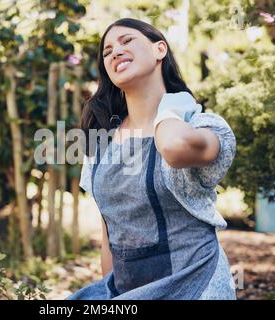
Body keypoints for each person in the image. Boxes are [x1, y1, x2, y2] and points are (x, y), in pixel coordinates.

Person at [66, 18, 237, 300]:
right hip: (129, 291)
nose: (115, 52)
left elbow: (172, 145)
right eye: (107, 52)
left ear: (160, 49)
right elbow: (111, 235)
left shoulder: (202, 125)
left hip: (194, 285)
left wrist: (172, 107)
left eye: (127, 41)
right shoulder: (100, 144)